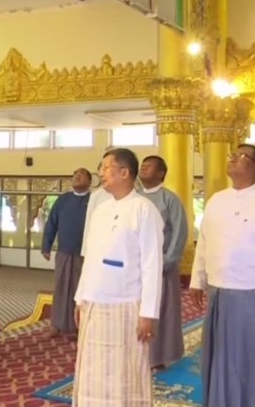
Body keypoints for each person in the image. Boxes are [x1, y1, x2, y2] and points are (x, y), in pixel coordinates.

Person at [190, 144, 255, 407]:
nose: (233, 159)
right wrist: (198, 280)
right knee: (220, 357)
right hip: (219, 292)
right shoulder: (216, 200)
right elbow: (204, 242)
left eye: (241, 156)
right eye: (232, 155)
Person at [73, 148, 164, 406]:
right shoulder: (101, 209)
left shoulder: (144, 209)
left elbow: (152, 264)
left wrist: (148, 313)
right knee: (93, 371)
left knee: (125, 373)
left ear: (124, 172)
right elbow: (90, 257)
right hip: (94, 303)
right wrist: (80, 298)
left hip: (126, 305)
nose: (101, 173)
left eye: (106, 167)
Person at [138, 155, 189, 370]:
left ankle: (159, 356)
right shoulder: (135, 198)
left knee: (161, 311)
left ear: (160, 173)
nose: (143, 169)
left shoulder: (170, 199)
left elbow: (179, 232)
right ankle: (137, 354)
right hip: (136, 268)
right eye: (142, 165)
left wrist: (166, 262)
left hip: (162, 267)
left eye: (148, 166)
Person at [41, 167, 93, 337]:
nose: (77, 177)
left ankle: (80, 326)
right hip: (64, 252)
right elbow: (52, 223)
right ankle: (56, 325)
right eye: (75, 174)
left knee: (81, 289)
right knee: (61, 288)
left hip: (85, 254)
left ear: (90, 181)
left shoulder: (94, 201)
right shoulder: (63, 200)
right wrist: (46, 245)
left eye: (81, 175)